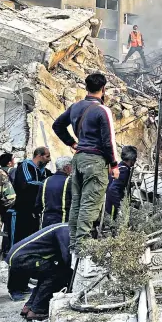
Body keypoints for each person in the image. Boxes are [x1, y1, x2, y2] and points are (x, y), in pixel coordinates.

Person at [52, 73, 120, 254]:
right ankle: (82, 248)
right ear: (103, 89)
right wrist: (114, 165)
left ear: (86, 87)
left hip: (79, 159)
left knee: (77, 203)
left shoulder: (75, 107)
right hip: (95, 161)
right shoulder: (102, 110)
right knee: (90, 204)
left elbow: (57, 125)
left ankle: (73, 244)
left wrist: (72, 143)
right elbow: (108, 141)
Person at [5, 223, 72, 320]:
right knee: (53, 275)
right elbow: (67, 257)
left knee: (46, 274)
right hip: (22, 258)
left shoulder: (61, 227)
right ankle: (37, 310)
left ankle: (29, 307)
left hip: (18, 256)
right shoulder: (65, 230)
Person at [12, 147, 51, 244]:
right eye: (47, 156)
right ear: (39, 156)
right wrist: (46, 184)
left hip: (36, 210)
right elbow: (27, 183)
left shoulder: (45, 171)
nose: (49, 159)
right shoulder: (25, 166)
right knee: (21, 237)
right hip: (23, 210)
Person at [35, 156, 72, 228]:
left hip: (45, 223)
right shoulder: (70, 182)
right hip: (62, 224)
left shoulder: (45, 181)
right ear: (66, 168)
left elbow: (38, 205)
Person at [105, 146, 137, 221]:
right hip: (111, 209)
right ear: (131, 159)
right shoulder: (124, 170)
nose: (135, 161)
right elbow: (112, 189)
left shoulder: (119, 167)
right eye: (135, 158)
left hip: (107, 205)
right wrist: (120, 207)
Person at [0, 153, 17, 257]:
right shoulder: (7, 172)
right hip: (4, 211)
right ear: (9, 163)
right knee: (7, 231)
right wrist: (3, 208)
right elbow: (11, 197)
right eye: (14, 159)